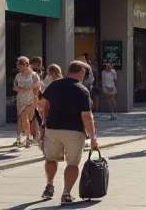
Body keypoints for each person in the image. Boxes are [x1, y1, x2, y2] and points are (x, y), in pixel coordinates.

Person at [39, 60, 98, 205]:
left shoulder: (54, 84)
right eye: (85, 73)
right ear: (81, 72)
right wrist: (93, 137)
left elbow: (42, 104)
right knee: (72, 163)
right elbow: (87, 116)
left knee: (51, 159)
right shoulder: (82, 90)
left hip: (52, 128)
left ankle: (49, 185)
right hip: (74, 131)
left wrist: (44, 122)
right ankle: (66, 194)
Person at [13, 56, 41, 148]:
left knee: (25, 117)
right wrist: (19, 88)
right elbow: (14, 86)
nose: (19, 68)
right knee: (20, 119)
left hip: (30, 97)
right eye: (18, 66)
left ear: (26, 65)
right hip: (21, 98)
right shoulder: (18, 76)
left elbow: (37, 87)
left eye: (21, 66)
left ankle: (28, 138)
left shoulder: (33, 75)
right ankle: (19, 138)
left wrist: (36, 98)